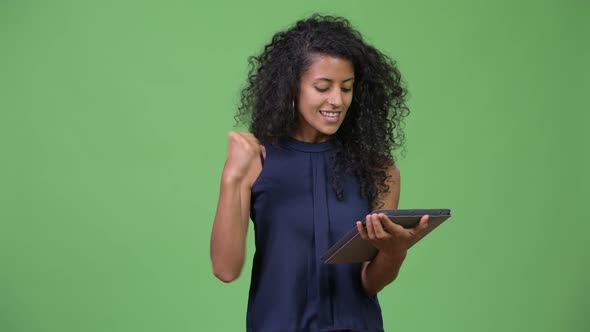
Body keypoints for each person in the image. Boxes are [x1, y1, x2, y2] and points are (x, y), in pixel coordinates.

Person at [210, 14, 429, 332]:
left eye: (347, 88)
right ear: (292, 87)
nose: (337, 101)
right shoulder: (257, 161)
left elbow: (368, 283)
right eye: (322, 87)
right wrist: (233, 178)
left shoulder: (379, 170)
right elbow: (225, 269)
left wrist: (395, 251)